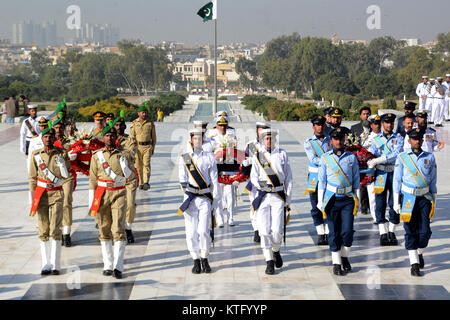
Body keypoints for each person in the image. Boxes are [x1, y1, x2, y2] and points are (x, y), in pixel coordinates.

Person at [88, 122, 136, 279]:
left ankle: (118, 265)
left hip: (118, 194)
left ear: (116, 137)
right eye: (107, 135)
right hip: (102, 194)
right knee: (104, 228)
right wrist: (91, 201)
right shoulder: (97, 156)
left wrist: (126, 168)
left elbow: (132, 178)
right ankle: (107, 264)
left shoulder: (125, 154)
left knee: (118, 229)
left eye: (112, 135)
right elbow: (93, 180)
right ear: (103, 137)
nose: (109, 138)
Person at [393, 128, 436, 277]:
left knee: (425, 232)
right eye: (414, 138)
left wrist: (434, 201)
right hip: (408, 199)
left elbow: (433, 181)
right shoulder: (402, 157)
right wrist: (395, 201)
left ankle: (420, 251)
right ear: (409, 140)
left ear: (422, 141)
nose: (417, 141)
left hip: (424, 198)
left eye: (419, 139)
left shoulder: (429, 157)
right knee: (410, 230)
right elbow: (397, 180)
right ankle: (414, 263)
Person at [29, 122, 71, 275]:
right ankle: (45, 263)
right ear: (42, 138)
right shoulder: (36, 155)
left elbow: (67, 176)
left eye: (50, 136)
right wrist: (32, 198)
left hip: (57, 193)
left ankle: (56, 264)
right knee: (43, 227)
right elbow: (32, 178)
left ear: (54, 138)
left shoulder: (62, 153)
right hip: (41, 193)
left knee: (55, 227)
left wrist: (62, 166)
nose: (47, 139)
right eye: (45, 136)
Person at [317, 127, 360, 276]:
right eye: (336, 138)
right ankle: (336, 262)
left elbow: (356, 179)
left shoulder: (351, 157)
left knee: (347, 231)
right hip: (331, 199)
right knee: (334, 232)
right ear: (331, 140)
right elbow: (321, 181)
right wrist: (319, 201)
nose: (339, 141)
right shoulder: (325, 158)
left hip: (347, 198)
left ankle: (345, 256)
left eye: (341, 138)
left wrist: (357, 197)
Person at [250, 129, 293, 275]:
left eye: (271, 138)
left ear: (275, 139)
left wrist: (288, 198)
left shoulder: (282, 154)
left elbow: (289, 177)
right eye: (266, 139)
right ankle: (269, 261)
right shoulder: (258, 156)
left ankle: (276, 250)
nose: (269, 141)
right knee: (264, 231)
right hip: (263, 196)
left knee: (277, 230)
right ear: (262, 141)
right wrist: (259, 185)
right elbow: (253, 176)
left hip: (278, 196)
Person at [178, 128, 220, 274]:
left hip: (205, 198)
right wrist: (188, 194)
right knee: (191, 232)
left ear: (203, 140)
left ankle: (205, 257)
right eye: (194, 138)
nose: (197, 141)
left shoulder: (209, 157)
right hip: (190, 198)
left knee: (203, 231)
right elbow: (182, 181)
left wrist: (215, 200)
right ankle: (195, 259)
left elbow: (215, 181)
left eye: (199, 138)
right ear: (190, 140)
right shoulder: (185, 157)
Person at [367, 113, 404, 246]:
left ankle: (392, 231)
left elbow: (397, 154)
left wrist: (380, 159)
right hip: (381, 173)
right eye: (387, 122)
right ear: (382, 124)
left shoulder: (399, 138)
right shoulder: (376, 139)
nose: (389, 125)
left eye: (391, 122)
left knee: (395, 202)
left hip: (394, 172)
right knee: (380, 202)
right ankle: (382, 232)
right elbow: (372, 154)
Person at [304, 115, 331, 245]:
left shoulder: (330, 140)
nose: (320, 127)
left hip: (328, 176)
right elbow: (313, 159)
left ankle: (327, 230)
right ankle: (320, 232)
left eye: (321, 124)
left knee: (328, 203)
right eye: (317, 125)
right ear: (313, 126)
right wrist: (329, 163)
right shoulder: (309, 142)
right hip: (315, 176)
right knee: (315, 205)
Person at [207, 114, 238, 227]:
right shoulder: (212, 137)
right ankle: (219, 218)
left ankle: (230, 218)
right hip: (216, 170)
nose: (223, 128)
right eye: (220, 125)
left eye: (225, 125)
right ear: (217, 125)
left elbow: (233, 153)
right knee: (218, 196)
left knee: (230, 196)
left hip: (228, 170)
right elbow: (210, 154)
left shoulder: (231, 135)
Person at [243, 121, 271, 243]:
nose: (262, 132)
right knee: (255, 205)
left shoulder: (272, 146)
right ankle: (256, 229)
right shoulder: (251, 145)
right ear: (257, 131)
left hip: (268, 183)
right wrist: (251, 161)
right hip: (254, 183)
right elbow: (243, 161)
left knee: (266, 207)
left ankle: (265, 229)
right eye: (261, 130)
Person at [53, 117, 77, 247]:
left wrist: (74, 155)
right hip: (53, 177)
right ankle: (57, 230)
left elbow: (76, 153)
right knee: (55, 204)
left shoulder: (70, 142)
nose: (58, 130)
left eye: (60, 128)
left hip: (67, 176)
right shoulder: (48, 141)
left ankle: (66, 234)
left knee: (67, 202)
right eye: (56, 128)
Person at [114, 115, 138, 244]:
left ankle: (128, 228)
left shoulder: (131, 140)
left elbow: (131, 154)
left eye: (121, 125)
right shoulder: (108, 139)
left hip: (128, 177)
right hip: (114, 177)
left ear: (124, 126)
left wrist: (115, 151)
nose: (119, 128)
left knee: (130, 204)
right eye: (116, 126)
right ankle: (116, 228)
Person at [130, 105, 156, 191]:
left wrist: (153, 147)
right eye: (142, 112)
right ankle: (141, 182)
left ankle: (146, 182)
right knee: (139, 166)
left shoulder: (150, 123)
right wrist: (132, 149)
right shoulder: (134, 123)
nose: (144, 114)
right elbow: (132, 136)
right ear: (139, 113)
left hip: (147, 147)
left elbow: (154, 137)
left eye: (145, 112)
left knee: (146, 164)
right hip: (138, 147)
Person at [362, 115, 382, 224]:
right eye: (375, 124)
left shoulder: (386, 137)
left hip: (383, 169)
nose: (377, 126)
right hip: (371, 170)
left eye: (379, 124)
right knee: (372, 194)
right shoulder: (366, 138)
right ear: (371, 125)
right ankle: (376, 217)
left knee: (384, 195)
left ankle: (382, 214)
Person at [20, 104, 40, 172]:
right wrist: (22, 146)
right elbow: (22, 134)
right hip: (29, 142)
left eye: (35, 111)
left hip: (38, 141)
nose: (34, 112)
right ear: (29, 112)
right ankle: (30, 174)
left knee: (39, 158)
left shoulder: (40, 120)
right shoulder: (26, 122)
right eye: (32, 111)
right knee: (29, 159)